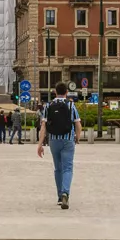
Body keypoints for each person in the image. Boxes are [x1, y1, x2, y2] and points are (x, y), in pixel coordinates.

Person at [36, 82, 82, 210]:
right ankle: (65, 193)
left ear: (55, 92)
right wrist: (77, 138)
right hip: (68, 140)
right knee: (68, 168)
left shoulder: (48, 106)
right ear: (66, 92)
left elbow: (43, 127)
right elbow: (78, 125)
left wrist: (40, 144)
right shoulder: (71, 105)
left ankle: (59, 196)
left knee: (58, 168)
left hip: (54, 141)